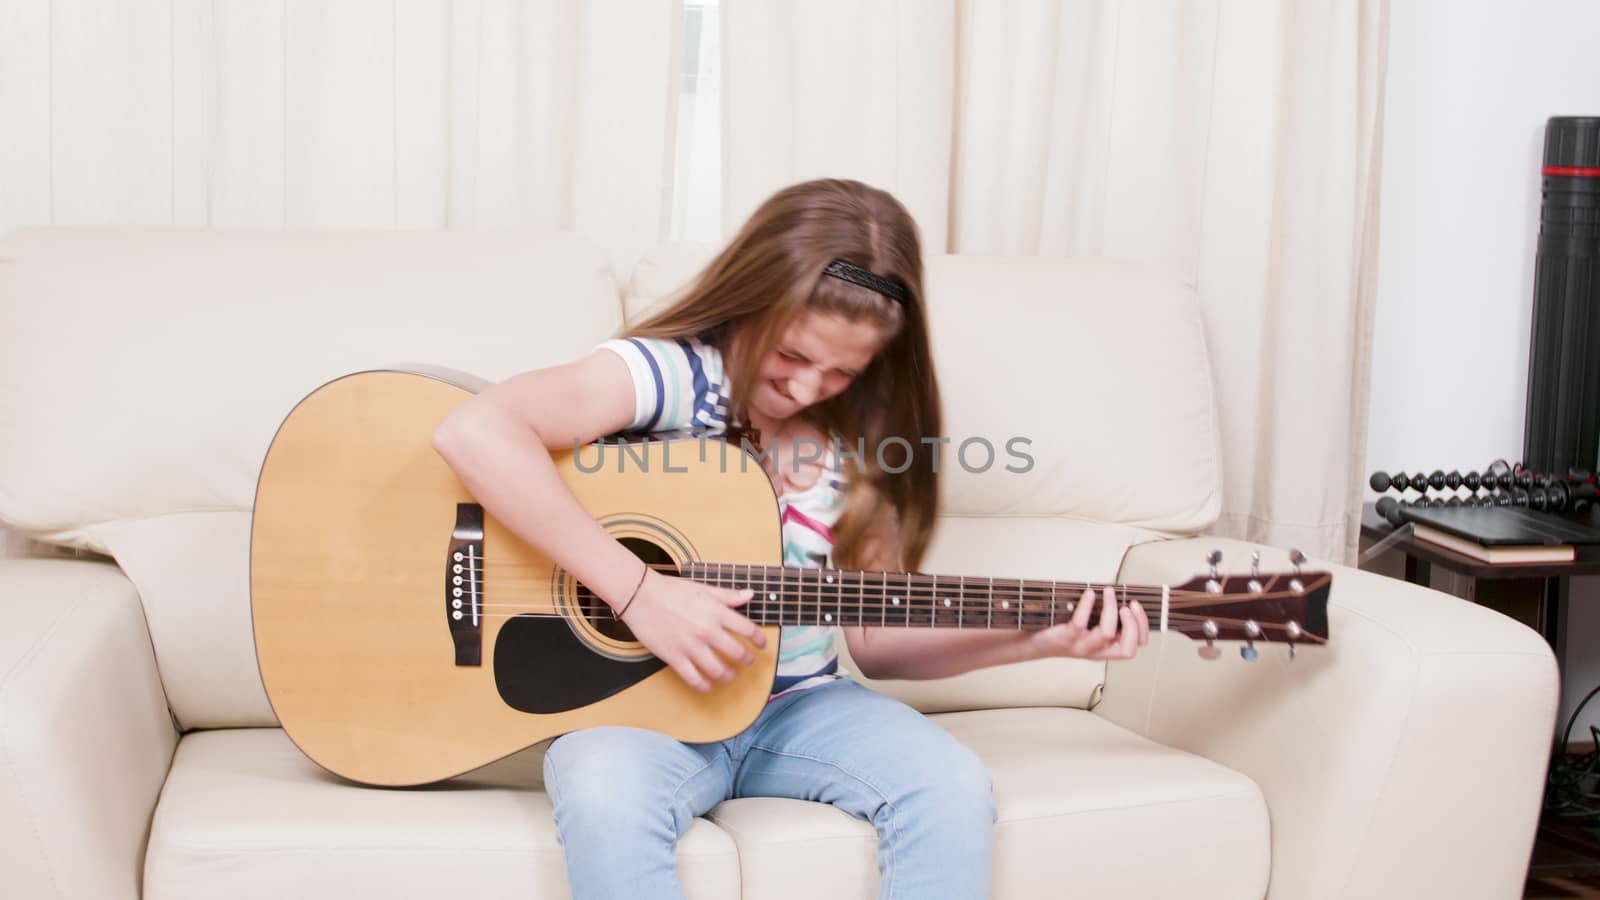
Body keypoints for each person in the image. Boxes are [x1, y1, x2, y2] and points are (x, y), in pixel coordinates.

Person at [431, 178, 1150, 899]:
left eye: (842, 371)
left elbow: (879, 641)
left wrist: (1035, 639)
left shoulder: (860, 445)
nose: (809, 388)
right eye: (792, 355)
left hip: (799, 707)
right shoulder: (671, 376)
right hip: (637, 711)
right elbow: (477, 429)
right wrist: (640, 589)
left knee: (950, 785)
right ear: (752, 300)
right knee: (603, 795)